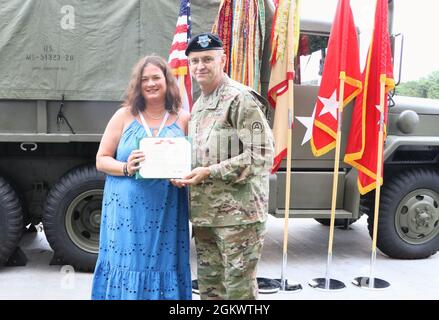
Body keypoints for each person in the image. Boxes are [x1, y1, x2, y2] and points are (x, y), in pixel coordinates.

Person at [172, 33, 274, 300]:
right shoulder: (200, 104)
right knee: (210, 291)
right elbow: (201, 156)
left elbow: (262, 154)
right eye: (194, 61)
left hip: (239, 218)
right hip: (206, 216)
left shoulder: (240, 99)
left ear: (223, 60)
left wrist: (210, 172)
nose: (200, 66)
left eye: (207, 59)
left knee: (239, 293)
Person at [91, 55, 192, 300]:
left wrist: (183, 177)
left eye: (156, 77)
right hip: (126, 212)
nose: (151, 83)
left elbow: (192, 162)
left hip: (167, 211)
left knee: (163, 263)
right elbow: (101, 159)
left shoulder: (184, 119)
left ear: (167, 81)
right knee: (127, 263)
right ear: (138, 85)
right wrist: (127, 167)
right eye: (144, 79)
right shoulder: (123, 116)